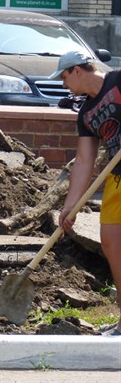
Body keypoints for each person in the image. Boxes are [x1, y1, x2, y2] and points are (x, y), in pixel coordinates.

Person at [53, 51, 121, 337]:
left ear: (77, 70)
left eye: (64, 77)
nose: (63, 84)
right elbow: (83, 161)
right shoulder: (86, 114)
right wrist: (70, 207)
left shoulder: (118, 80)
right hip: (118, 178)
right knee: (111, 241)